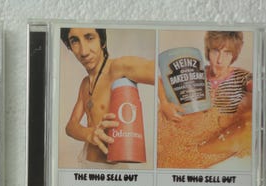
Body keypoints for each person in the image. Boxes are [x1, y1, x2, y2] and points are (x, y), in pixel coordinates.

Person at [61, 28, 155, 165]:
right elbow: (70, 127)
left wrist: (164, 102)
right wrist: (89, 134)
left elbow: (161, 72)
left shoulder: (118, 67)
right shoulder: (85, 83)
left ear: (102, 41)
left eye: (89, 38)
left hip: (113, 170)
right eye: (75, 41)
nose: (84, 52)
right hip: (86, 163)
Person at [158, 31, 252, 166]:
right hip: (186, 135)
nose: (220, 60)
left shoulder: (243, 76)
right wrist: (164, 103)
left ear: (234, 55)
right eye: (215, 51)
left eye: (227, 53)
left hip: (218, 142)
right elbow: (160, 80)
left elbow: (258, 87)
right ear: (208, 51)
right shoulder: (196, 71)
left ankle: (195, 153)